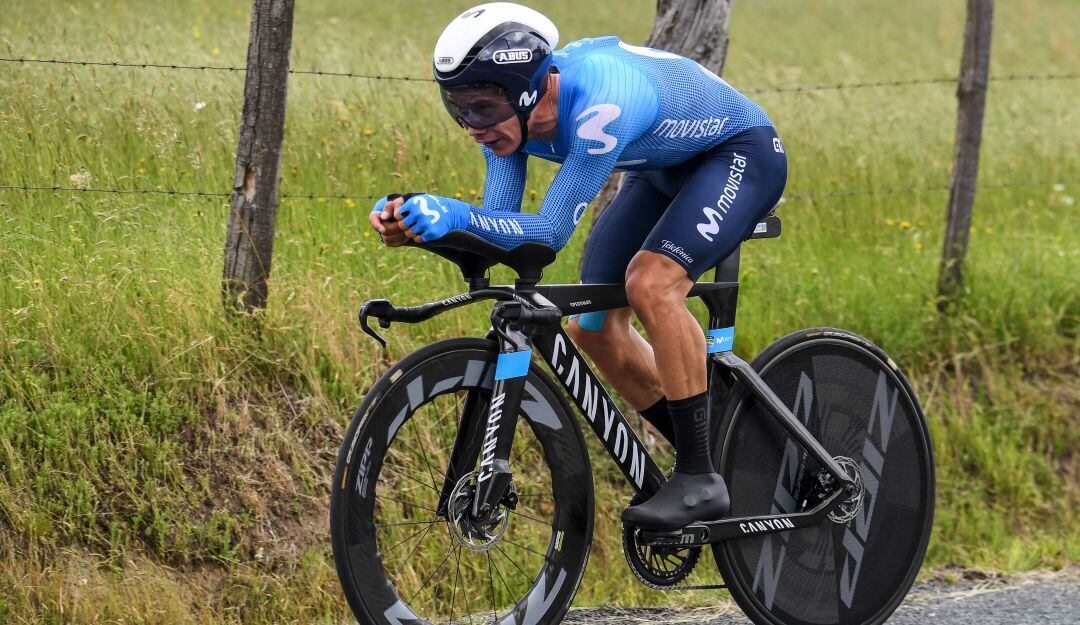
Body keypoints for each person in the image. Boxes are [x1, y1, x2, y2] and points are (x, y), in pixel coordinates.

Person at [369, 2, 787, 531]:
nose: (471, 126)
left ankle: (700, 476)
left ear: (524, 92)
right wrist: (418, 225)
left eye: (480, 107)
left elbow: (545, 236)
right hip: (660, 169)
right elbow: (499, 227)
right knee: (593, 330)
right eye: (458, 108)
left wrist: (450, 213)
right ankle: (725, 448)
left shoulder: (599, 107)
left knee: (651, 285)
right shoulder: (506, 123)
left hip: (738, 154)